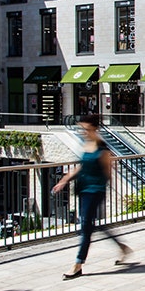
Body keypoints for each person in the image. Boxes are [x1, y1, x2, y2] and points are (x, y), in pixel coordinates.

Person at [53, 114, 131, 279]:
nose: (83, 132)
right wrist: (65, 179)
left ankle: (78, 264)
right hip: (84, 189)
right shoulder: (86, 144)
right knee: (94, 226)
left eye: (85, 129)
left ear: (94, 129)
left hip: (95, 191)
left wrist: (103, 191)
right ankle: (122, 248)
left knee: (86, 227)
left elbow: (108, 173)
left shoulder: (102, 149)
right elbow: (81, 167)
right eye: (81, 129)